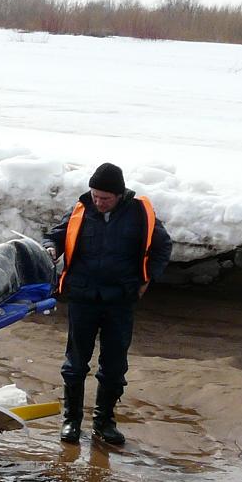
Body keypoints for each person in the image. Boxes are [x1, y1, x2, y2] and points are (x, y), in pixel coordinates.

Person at [43, 163, 172, 445]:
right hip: (82, 297)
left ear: (119, 194)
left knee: (114, 367)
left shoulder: (140, 212)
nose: (98, 202)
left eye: (105, 198)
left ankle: (104, 422)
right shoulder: (81, 208)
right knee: (75, 364)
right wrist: (51, 248)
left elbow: (163, 247)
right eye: (95, 195)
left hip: (120, 300)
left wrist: (147, 278)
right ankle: (71, 421)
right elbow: (55, 235)